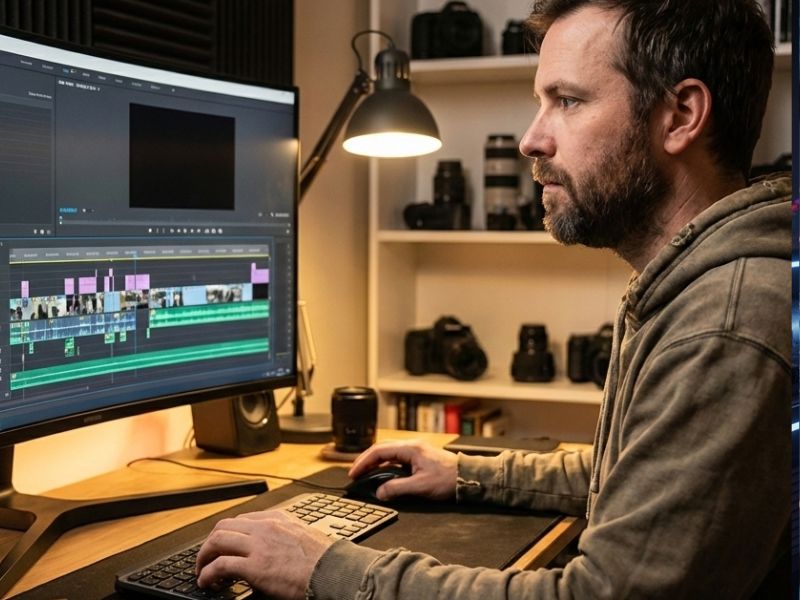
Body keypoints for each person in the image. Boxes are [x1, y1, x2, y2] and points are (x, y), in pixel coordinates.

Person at [195, 1, 791, 598]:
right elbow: (642, 482)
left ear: (680, 115)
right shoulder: (698, 281)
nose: (532, 139)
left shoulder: (723, 322)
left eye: (569, 101)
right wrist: (468, 472)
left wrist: (326, 569)